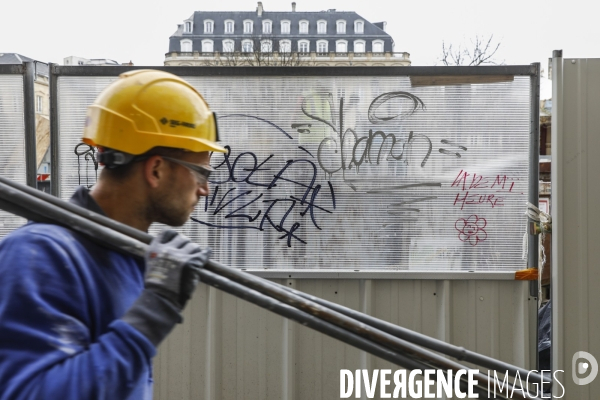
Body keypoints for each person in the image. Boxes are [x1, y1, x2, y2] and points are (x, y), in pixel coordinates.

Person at [0, 70, 226, 399]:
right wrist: (155, 308)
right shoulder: (41, 255)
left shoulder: (128, 256)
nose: (205, 189)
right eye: (201, 171)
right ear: (157, 169)